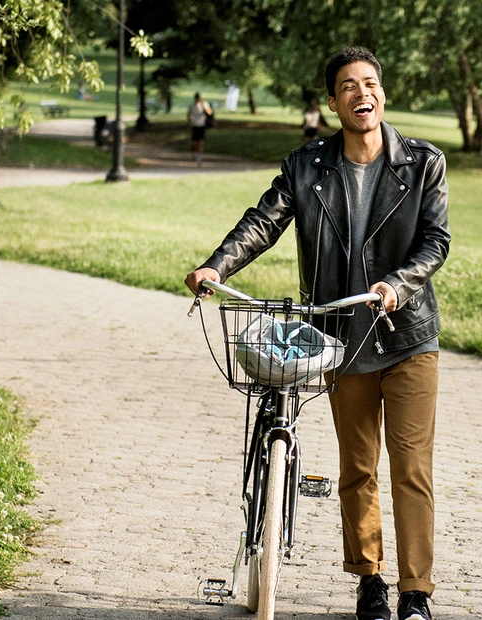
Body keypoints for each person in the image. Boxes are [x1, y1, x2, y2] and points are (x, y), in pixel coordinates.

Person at [185, 46, 450, 620]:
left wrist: (398, 284)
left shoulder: (423, 162)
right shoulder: (307, 167)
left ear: (383, 93)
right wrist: (216, 266)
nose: (363, 94)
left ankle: (415, 594)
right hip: (338, 336)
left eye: (371, 84)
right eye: (349, 87)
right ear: (333, 102)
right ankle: (370, 582)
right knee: (358, 468)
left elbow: (436, 241)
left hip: (407, 336)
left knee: (410, 468)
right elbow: (264, 221)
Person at [188, 92, 214, 166]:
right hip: (194, 125)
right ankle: (194, 154)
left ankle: (199, 159)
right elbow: (188, 114)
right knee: (194, 143)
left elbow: (210, 113)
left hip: (202, 125)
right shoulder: (192, 106)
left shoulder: (204, 104)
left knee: (200, 142)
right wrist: (190, 120)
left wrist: (204, 107)